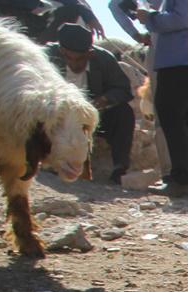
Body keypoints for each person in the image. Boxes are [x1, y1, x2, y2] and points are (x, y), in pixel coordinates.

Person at [132, 0, 188, 197]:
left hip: (176, 61)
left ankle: (182, 179)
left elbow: (181, 18)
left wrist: (149, 18)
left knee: (171, 117)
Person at [47, 24, 134, 183]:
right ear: (61, 52)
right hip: (56, 115)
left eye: (80, 59)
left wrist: (103, 100)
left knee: (124, 113)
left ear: (90, 54)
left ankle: (119, 169)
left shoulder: (104, 59)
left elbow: (123, 89)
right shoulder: (46, 57)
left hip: (94, 115)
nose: (75, 65)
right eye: (70, 58)